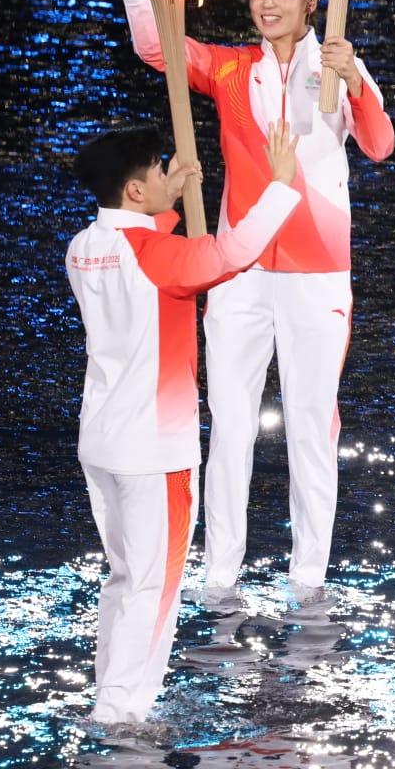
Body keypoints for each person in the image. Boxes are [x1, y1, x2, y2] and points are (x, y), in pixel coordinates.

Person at [120, 0, 395, 598]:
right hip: (238, 271)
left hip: (317, 277)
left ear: (311, 3)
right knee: (231, 425)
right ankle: (220, 576)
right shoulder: (231, 70)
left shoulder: (337, 67)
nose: (267, 2)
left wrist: (354, 80)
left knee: (310, 426)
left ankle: (308, 581)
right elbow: (157, 48)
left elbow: (380, 145)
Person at [66, 120, 301, 723]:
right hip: (155, 448)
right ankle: (121, 716)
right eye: (156, 169)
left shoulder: (83, 247)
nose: (163, 173)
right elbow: (230, 255)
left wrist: (167, 202)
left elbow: (158, 254)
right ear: (135, 190)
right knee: (155, 588)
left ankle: (108, 696)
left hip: (102, 441)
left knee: (125, 579)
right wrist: (279, 186)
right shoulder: (156, 257)